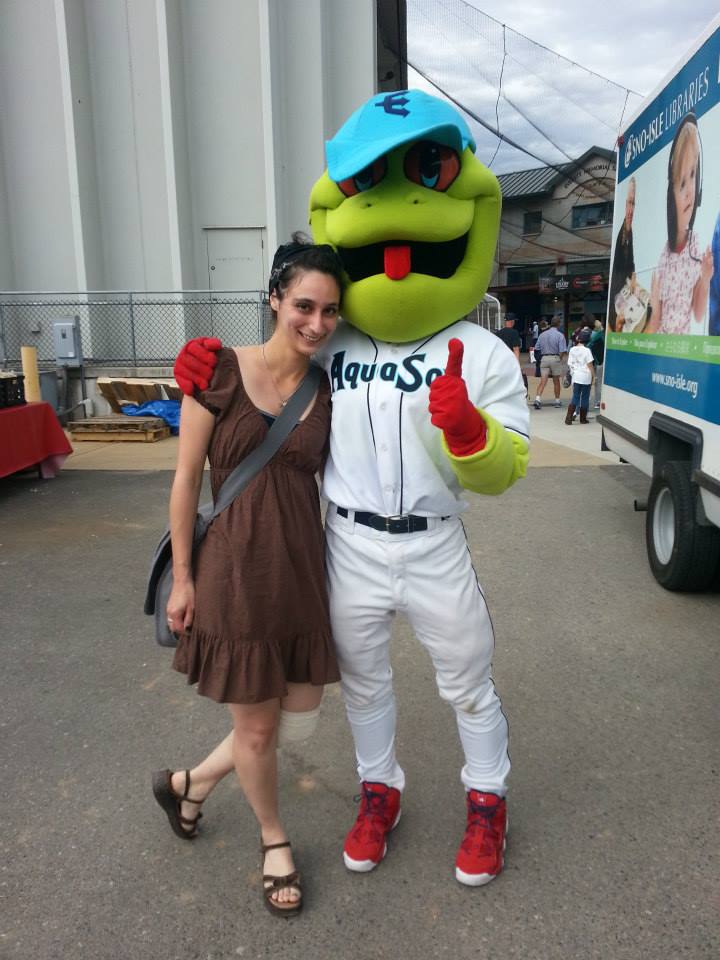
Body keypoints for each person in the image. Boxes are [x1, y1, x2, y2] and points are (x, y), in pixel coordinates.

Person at [174, 89, 529, 890]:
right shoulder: (338, 338)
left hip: (433, 541)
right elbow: (263, 372)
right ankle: (379, 792)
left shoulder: (484, 351)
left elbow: (509, 465)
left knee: (467, 679)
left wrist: (471, 437)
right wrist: (206, 369)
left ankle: (487, 799)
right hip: (350, 546)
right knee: (364, 684)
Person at [152, 238, 344, 917]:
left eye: (329, 311)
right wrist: (183, 579)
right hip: (232, 572)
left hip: (299, 571)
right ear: (274, 299)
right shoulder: (219, 371)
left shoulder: (329, 385)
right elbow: (184, 481)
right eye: (303, 305)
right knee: (259, 731)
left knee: (296, 723)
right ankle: (273, 840)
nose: (316, 323)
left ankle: (190, 782)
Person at [645, 115, 713, 335]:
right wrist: (655, 307)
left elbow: (699, 313)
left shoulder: (696, 245)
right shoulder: (663, 258)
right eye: (681, 183)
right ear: (670, 197)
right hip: (664, 346)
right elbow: (655, 323)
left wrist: (705, 279)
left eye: (693, 176)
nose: (689, 192)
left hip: (682, 348)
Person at [609, 177, 636, 332]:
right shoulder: (621, 235)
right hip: (617, 305)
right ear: (625, 204)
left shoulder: (630, 233)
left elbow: (630, 263)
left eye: (634, 204)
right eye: (629, 203)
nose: (631, 210)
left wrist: (633, 276)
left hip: (622, 303)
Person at [532, 317, 567, 409]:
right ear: (558, 324)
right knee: (556, 381)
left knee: (543, 381)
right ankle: (557, 401)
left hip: (544, 358)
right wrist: (559, 358)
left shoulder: (542, 335)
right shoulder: (560, 335)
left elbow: (536, 348)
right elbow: (563, 350)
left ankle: (538, 399)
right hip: (555, 357)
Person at [564, 328, 594, 424]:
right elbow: (590, 365)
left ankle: (568, 418)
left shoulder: (572, 350)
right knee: (585, 397)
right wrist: (593, 376)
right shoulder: (587, 351)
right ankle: (583, 418)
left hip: (576, 376)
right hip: (586, 376)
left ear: (578, 339)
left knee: (575, 396)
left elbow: (570, 363)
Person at [496, 312, 528, 395]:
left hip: (500, 361)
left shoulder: (498, 333)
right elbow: (516, 349)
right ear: (512, 321)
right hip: (510, 361)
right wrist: (517, 364)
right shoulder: (514, 333)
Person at [588, 317, 605, 408]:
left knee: (589, 382)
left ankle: (587, 400)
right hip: (599, 361)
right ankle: (598, 401)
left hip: (591, 361)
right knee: (598, 382)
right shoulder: (600, 335)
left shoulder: (590, 335)